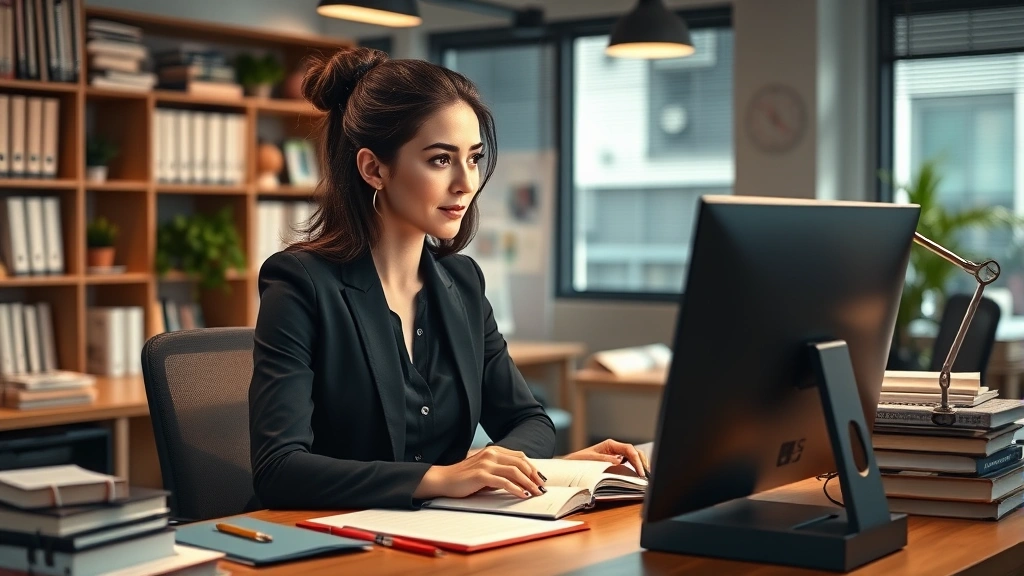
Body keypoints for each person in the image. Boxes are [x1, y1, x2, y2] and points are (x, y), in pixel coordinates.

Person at [249, 47, 649, 510]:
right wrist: (438, 479)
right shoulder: (300, 283)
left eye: (474, 158)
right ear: (373, 168)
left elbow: (529, 420)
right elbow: (279, 469)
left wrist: (536, 469)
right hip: (328, 542)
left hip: (444, 537)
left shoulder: (462, 282)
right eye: (441, 160)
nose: (466, 182)